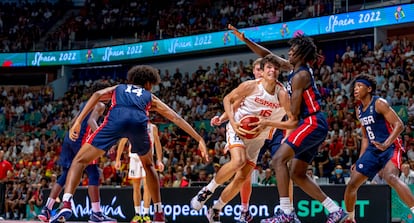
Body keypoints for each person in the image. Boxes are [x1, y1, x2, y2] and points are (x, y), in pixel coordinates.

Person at [50, 65, 208, 223]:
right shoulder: (150, 96)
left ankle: (66, 203)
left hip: (116, 119)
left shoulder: (119, 88)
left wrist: (78, 121)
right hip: (138, 123)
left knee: (79, 160)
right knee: (149, 166)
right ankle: (159, 213)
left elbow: (97, 94)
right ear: (147, 83)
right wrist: (199, 138)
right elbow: (176, 118)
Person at [226, 24, 348, 223]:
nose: (289, 52)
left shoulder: (300, 75)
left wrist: (268, 119)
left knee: (278, 159)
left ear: (302, 53)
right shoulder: (294, 68)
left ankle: (286, 213)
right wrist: (245, 40)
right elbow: (268, 55)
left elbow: (293, 116)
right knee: (297, 173)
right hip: (311, 123)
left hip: (311, 122)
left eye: (293, 49)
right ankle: (334, 210)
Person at [191, 54, 296, 223]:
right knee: (238, 161)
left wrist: (285, 136)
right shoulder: (251, 86)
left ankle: (216, 208)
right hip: (238, 128)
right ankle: (207, 190)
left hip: (258, 138)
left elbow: (293, 120)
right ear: (262, 71)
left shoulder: (282, 94)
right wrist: (230, 120)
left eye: (276, 68)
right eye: (269, 67)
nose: (273, 71)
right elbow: (228, 99)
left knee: (241, 178)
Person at [344, 74, 414, 223]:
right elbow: (364, 137)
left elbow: (399, 125)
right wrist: (360, 159)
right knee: (352, 184)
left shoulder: (379, 103)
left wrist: (386, 144)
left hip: (390, 146)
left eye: (359, 86)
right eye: (355, 87)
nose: (355, 89)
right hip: (372, 150)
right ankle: (350, 218)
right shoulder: (359, 110)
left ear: (369, 89)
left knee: (390, 177)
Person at [38, 98, 116, 223]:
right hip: (81, 142)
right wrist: (104, 139)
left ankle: (47, 208)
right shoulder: (100, 104)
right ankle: (96, 213)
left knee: (66, 174)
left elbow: (74, 121)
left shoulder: (87, 103)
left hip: (70, 139)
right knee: (94, 173)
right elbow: (91, 121)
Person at [115, 123, 165, 223]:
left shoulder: (153, 127)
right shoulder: (132, 125)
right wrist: (117, 159)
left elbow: (158, 144)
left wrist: (159, 160)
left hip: (148, 159)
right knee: (136, 187)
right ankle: (137, 215)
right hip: (134, 159)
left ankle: (145, 215)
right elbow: (122, 142)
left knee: (147, 187)